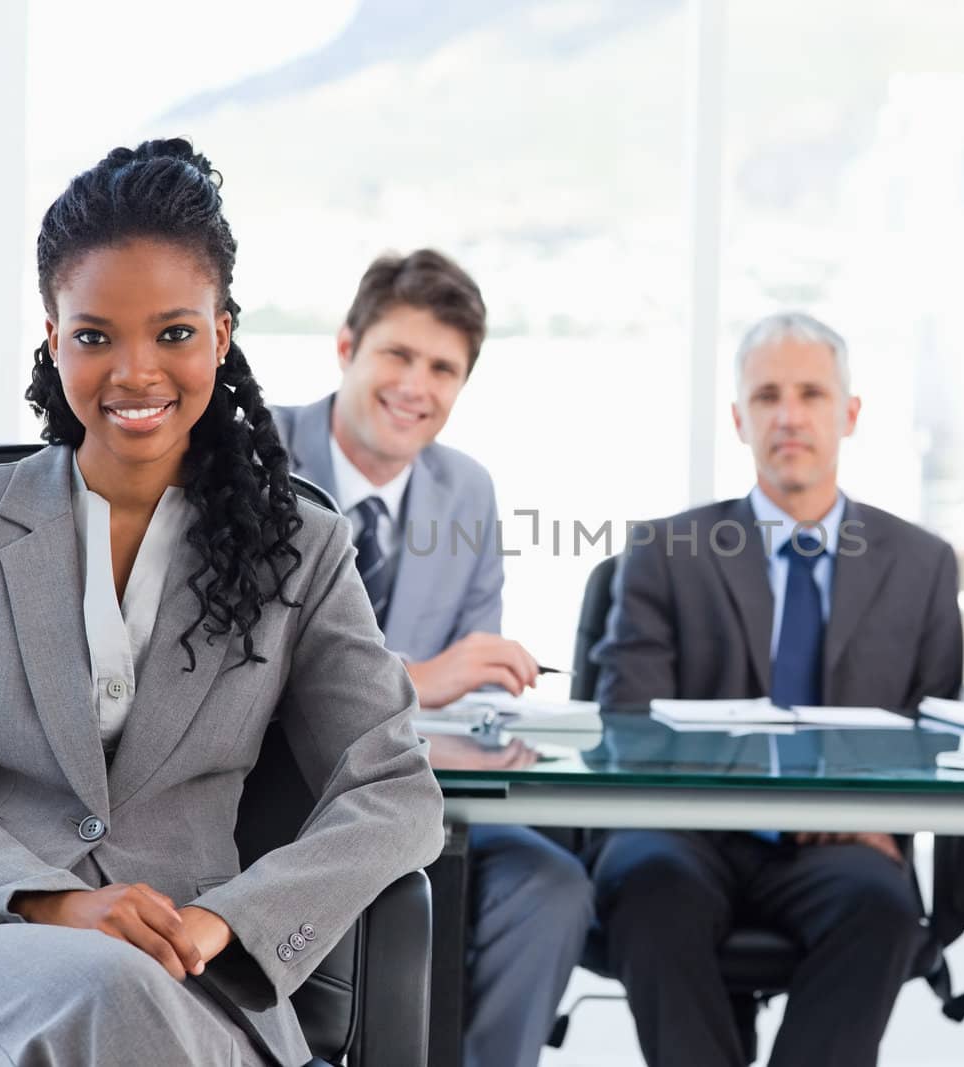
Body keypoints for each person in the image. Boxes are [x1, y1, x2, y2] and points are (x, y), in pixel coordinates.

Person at [0, 139, 444, 1067]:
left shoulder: (302, 551)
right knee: (112, 997)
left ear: (221, 335)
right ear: (52, 334)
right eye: (94, 336)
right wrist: (54, 901)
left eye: (173, 332)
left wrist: (226, 922)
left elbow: (396, 790)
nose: (135, 373)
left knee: (132, 1002)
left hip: (192, 974)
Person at [589, 311, 963, 1067]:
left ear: (850, 414)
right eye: (766, 397)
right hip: (683, 831)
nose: (788, 415)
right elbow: (628, 724)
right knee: (647, 881)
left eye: (811, 394)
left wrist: (863, 812)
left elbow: (934, 736)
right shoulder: (666, 552)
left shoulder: (921, 563)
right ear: (737, 418)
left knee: (883, 905)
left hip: (843, 843)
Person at [271, 249, 591, 1067]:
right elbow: (234, 673)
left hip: (430, 802)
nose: (418, 386)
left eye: (443, 368)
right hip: (273, 811)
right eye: (399, 355)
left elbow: (467, 699)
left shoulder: (468, 491)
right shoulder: (257, 457)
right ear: (346, 347)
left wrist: (478, 696)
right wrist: (423, 677)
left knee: (551, 887)